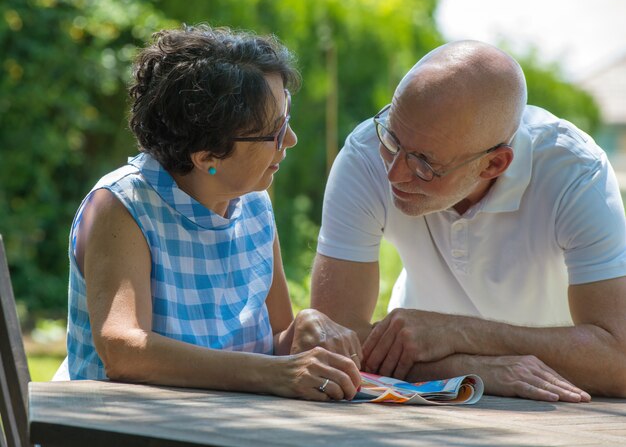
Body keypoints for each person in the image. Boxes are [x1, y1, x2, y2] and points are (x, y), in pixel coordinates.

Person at [55, 24, 362, 402]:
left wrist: (304, 328)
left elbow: (279, 340)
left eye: (287, 118)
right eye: (275, 132)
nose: (292, 140)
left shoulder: (253, 203)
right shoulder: (122, 206)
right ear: (207, 157)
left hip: (222, 429)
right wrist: (270, 374)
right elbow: (123, 350)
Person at [311, 40, 626, 402]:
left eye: (424, 164)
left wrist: (457, 332)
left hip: (557, 405)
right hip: (423, 397)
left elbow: (618, 361)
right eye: (393, 139)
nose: (394, 173)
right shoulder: (367, 154)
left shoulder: (575, 173)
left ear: (494, 164)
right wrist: (480, 369)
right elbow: (331, 339)